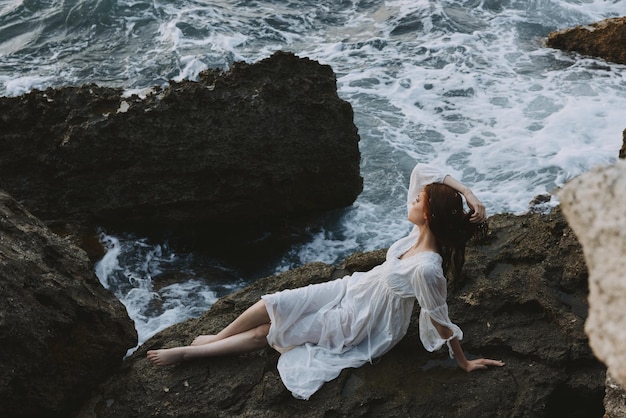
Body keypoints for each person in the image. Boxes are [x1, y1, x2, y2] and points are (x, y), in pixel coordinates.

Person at [147, 163, 505, 399]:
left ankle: (188, 354)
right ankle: (219, 337)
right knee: (272, 302)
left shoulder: (427, 266)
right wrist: (469, 194)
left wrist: (463, 361)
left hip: (364, 321)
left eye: (419, 198)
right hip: (353, 287)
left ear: (426, 214)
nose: (413, 196)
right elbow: (424, 169)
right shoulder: (418, 235)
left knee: (267, 334)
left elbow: (440, 320)